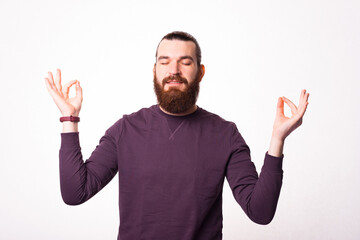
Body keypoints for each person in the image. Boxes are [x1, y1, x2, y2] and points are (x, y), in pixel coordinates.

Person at [44, 31, 309, 240]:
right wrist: (70, 118)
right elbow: (74, 193)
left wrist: (277, 139)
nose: (174, 71)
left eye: (185, 62)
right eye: (165, 62)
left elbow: (260, 212)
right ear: (154, 71)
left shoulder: (225, 134)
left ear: (200, 72)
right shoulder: (126, 130)